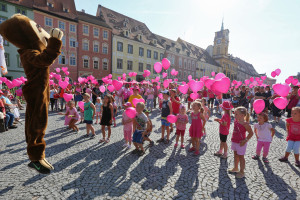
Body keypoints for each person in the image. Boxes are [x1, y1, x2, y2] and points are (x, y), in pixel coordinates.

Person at [228, 106, 254, 178]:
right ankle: (235, 168)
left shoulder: (246, 124)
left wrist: (245, 140)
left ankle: (242, 172)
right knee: (235, 155)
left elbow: (251, 133)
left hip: (241, 143)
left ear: (242, 115)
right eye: (234, 113)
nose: (234, 115)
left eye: (236, 114)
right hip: (235, 141)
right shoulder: (236, 121)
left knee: (241, 157)